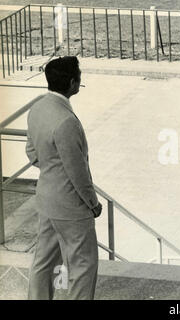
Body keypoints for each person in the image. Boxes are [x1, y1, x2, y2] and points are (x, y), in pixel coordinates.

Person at [26, 56, 102, 299]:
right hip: (71, 208)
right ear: (71, 83)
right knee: (82, 266)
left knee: (43, 263)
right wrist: (93, 203)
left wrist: (51, 169)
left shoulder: (38, 107)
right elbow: (77, 172)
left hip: (46, 200)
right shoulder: (66, 121)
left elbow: (31, 152)